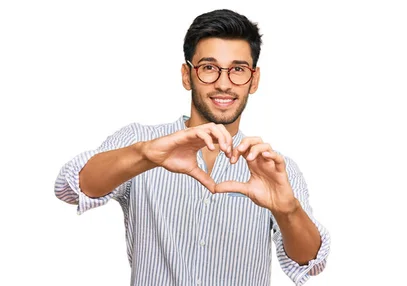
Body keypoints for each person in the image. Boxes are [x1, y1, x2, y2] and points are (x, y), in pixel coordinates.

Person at [54, 9, 330, 286]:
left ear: (254, 80)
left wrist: (287, 210)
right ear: (187, 75)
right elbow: (70, 187)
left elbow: (310, 262)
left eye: (238, 69)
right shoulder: (141, 142)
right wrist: (146, 155)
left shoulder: (274, 168)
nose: (224, 84)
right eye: (209, 67)